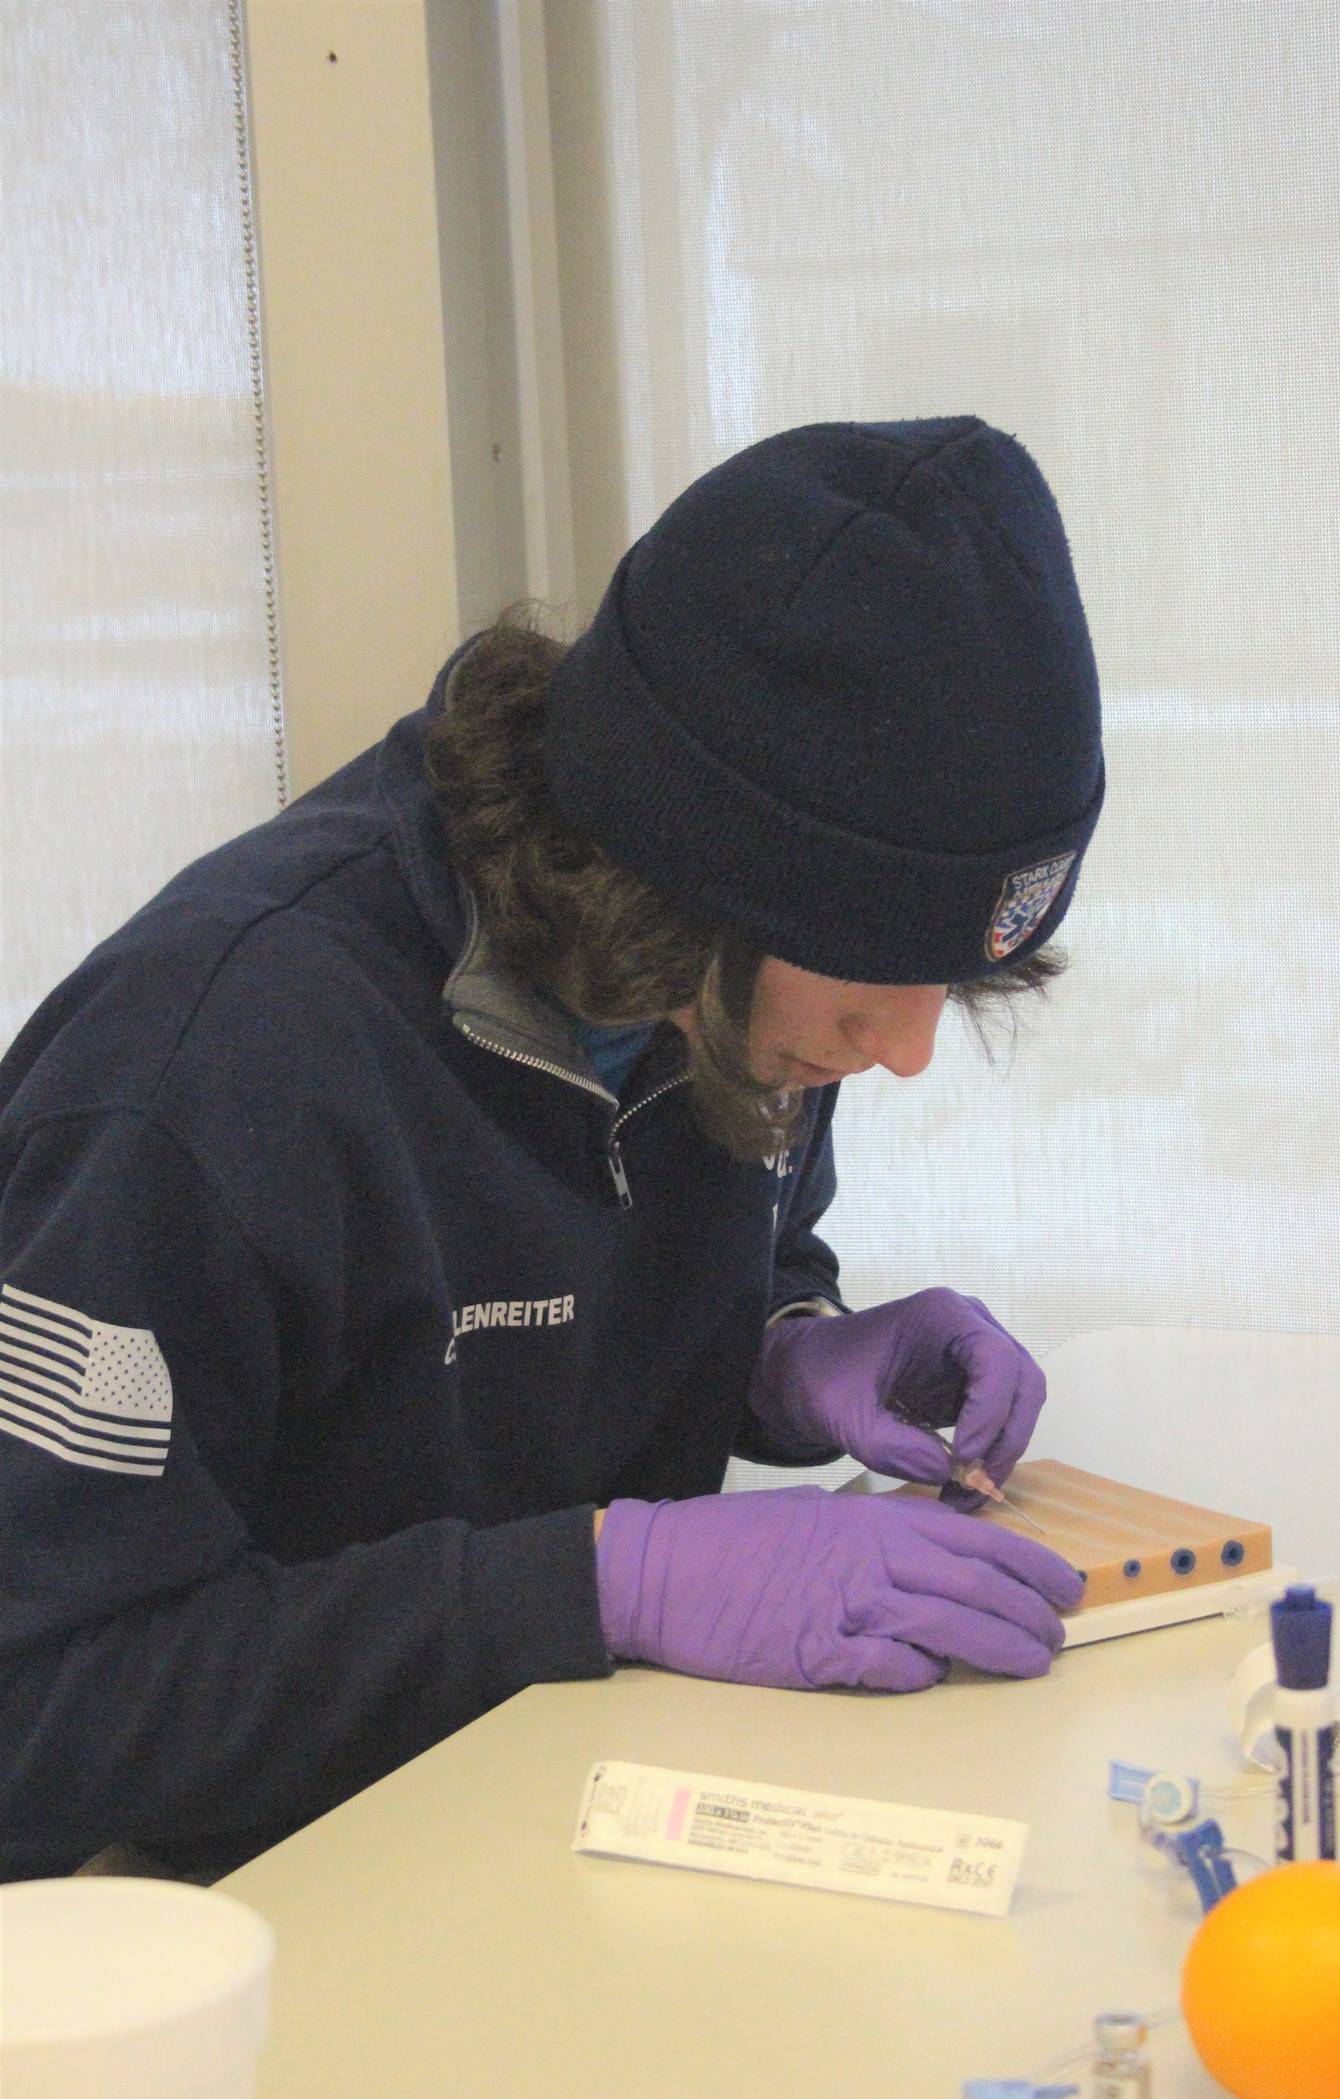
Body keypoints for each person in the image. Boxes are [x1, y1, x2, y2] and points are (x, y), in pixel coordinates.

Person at [0, 416, 1104, 1882]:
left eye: (951, 983)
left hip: (523, 1813)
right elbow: (46, 1702)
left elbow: (711, 1238)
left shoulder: (725, 974)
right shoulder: (201, 1082)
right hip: (186, 1926)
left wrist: (785, 1343)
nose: (903, 1048)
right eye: (876, 971)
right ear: (696, 864)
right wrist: (599, 1582)